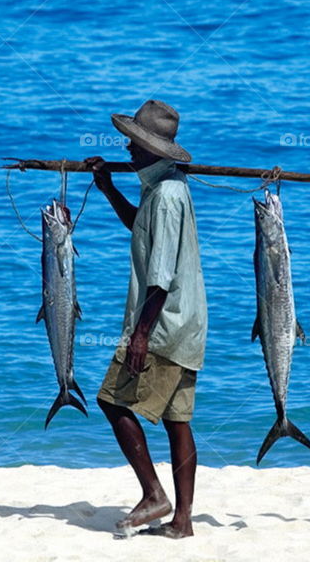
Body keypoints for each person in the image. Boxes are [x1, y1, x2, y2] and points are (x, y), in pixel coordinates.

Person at [85, 99, 208, 539]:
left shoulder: (169, 194)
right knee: (178, 420)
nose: (128, 148)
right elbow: (141, 228)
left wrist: (140, 335)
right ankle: (183, 521)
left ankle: (155, 495)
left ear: (156, 149)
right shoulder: (158, 188)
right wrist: (107, 188)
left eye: (136, 142)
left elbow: (160, 276)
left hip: (163, 324)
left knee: (110, 400)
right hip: (185, 324)